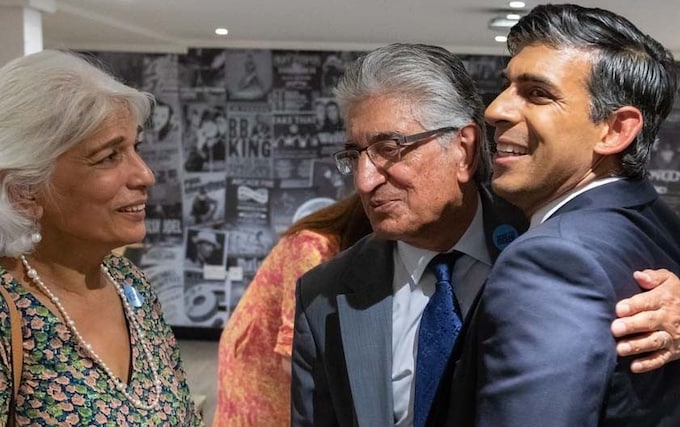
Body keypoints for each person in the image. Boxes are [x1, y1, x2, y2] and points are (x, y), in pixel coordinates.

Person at [290, 43, 680, 427]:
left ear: (464, 148)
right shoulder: (325, 294)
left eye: (389, 148)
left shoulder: (557, 247)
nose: (364, 180)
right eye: (354, 156)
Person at [446, 5, 680, 426]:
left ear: (615, 130)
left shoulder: (551, 260)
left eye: (537, 93)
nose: (495, 109)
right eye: (507, 86)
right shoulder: (657, 222)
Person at [0, 50, 202, 425]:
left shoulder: (129, 283)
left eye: (134, 148)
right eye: (109, 156)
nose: (145, 175)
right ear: (26, 188)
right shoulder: (9, 308)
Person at [213, 193, 372, 426]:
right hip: (257, 356)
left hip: (269, 353)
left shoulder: (334, 249)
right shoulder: (313, 248)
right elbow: (295, 356)